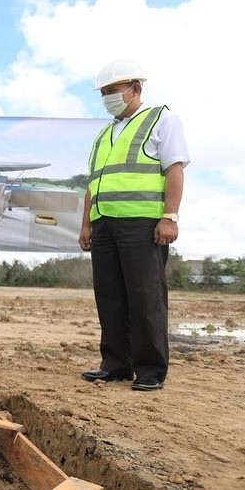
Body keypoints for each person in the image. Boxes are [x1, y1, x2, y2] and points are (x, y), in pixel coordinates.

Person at [78, 59, 189, 392]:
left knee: (145, 296)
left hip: (142, 223)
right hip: (104, 225)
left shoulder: (161, 119)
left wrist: (170, 216)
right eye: (103, 92)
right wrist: (86, 225)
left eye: (113, 90)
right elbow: (93, 183)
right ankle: (115, 364)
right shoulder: (104, 134)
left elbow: (174, 169)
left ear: (135, 88)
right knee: (109, 295)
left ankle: (151, 369)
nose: (107, 97)